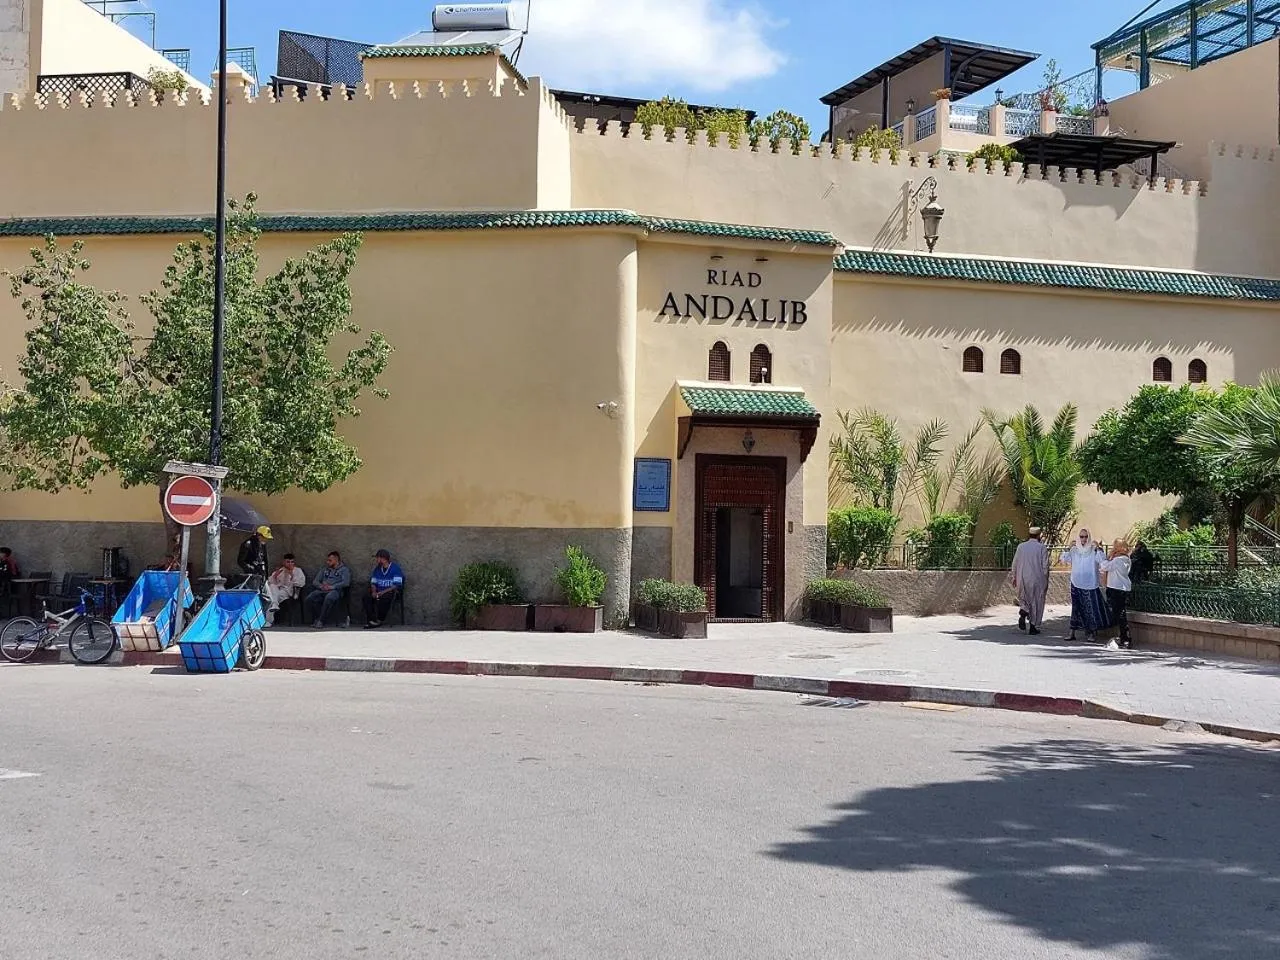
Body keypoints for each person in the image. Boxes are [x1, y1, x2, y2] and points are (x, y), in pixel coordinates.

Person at [1060, 528, 1110, 642]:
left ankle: (1091, 633)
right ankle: (1072, 632)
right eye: (1081, 536)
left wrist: (1098, 548)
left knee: (1090, 609)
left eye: (1086, 536)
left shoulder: (1093, 550)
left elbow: (1102, 561)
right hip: (1076, 583)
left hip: (1090, 584)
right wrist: (1068, 547)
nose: (1083, 539)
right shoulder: (1074, 550)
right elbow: (1063, 560)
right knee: (1076, 608)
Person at [1010, 526, 1049, 635]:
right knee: (1036, 602)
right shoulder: (1042, 548)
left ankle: (1024, 611)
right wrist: (1045, 581)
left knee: (1024, 599)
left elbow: (1015, 563)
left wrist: (1014, 577)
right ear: (1038, 535)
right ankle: (1033, 626)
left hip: (1022, 578)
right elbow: (1045, 567)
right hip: (1037, 579)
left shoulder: (1021, 547)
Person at [1101, 539, 1134, 650]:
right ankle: (1123, 637)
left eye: (1115, 546)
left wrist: (1108, 556)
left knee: (1120, 615)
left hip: (1117, 589)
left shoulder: (1118, 560)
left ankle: (1126, 638)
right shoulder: (1126, 559)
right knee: (1120, 613)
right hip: (1120, 588)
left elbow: (1104, 566)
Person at [304, 551, 352, 628]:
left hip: (336, 591)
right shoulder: (324, 569)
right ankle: (317, 618)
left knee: (329, 597)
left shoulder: (344, 570)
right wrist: (321, 586)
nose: (327, 562)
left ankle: (321, 621)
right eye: (327, 560)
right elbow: (315, 581)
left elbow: (346, 582)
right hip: (322, 590)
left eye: (330, 560)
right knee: (310, 599)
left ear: (336, 560)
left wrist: (332, 587)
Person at [363, 549, 404, 629]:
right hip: (379, 591)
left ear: (384, 559)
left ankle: (379, 620)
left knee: (385, 598)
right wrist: (374, 591)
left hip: (390, 592)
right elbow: (373, 582)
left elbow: (396, 585)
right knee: (366, 597)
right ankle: (371, 620)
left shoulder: (395, 569)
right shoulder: (377, 569)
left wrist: (382, 592)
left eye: (378, 558)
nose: (377, 560)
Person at [264, 554, 307, 626]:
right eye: (288, 562)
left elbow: (301, 583)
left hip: (288, 592)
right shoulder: (281, 570)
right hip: (277, 590)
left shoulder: (298, 571)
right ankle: (274, 605)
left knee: (271, 598)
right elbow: (270, 582)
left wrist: (292, 576)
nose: (290, 564)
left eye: (292, 562)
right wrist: (275, 576)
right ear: (284, 562)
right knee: (271, 588)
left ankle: (269, 620)